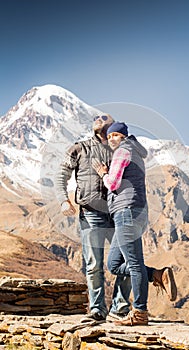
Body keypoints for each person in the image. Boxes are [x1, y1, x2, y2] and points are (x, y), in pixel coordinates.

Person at [92, 122, 177, 326]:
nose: (111, 138)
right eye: (109, 135)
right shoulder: (135, 151)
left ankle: (140, 312)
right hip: (134, 212)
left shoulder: (123, 151)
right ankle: (157, 274)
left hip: (126, 212)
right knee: (114, 264)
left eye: (115, 135)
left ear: (123, 136)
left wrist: (103, 173)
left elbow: (113, 183)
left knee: (135, 263)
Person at [56, 114, 131, 323]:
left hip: (119, 213)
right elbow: (61, 174)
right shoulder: (79, 148)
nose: (98, 118)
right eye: (96, 118)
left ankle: (121, 308)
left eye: (104, 118)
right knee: (94, 264)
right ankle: (97, 309)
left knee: (125, 260)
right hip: (90, 213)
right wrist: (64, 200)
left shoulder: (123, 150)